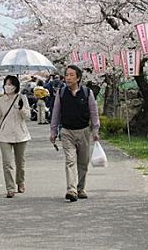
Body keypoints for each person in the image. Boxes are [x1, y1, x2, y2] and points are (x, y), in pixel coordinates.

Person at [49, 65, 100, 202]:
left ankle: (80, 188)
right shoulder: (61, 93)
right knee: (70, 160)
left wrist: (95, 130)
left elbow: (93, 113)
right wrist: (53, 131)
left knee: (83, 163)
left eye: (72, 75)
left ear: (78, 78)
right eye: (67, 75)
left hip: (83, 131)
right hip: (67, 132)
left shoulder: (87, 93)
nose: (68, 77)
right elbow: (56, 113)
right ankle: (71, 190)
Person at [0, 75, 31, 198]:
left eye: (11, 84)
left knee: (20, 163)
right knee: (7, 163)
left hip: (21, 134)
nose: (8, 86)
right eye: (7, 84)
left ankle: (20, 181)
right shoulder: (0, 101)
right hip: (5, 135)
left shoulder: (22, 98)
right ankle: (10, 188)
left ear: (16, 86)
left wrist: (21, 108)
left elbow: (27, 116)